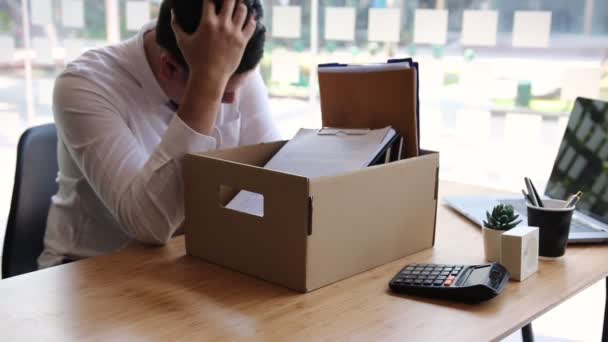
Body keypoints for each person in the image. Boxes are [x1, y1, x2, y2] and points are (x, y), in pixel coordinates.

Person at [38, 0, 280, 268]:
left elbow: (276, 177)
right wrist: (208, 82)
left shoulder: (231, 65)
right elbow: (150, 225)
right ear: (168, 67)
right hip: (91, 268)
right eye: (222, 94)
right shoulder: (84, 84)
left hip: (188, 258)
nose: (233, 99)